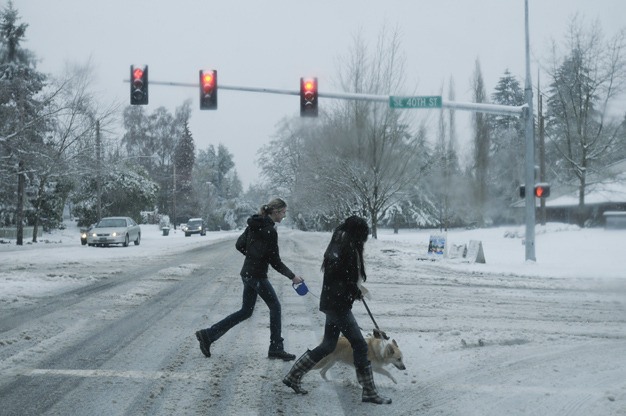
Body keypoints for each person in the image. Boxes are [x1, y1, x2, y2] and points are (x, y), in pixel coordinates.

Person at [282, 215, 392, 405]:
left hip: (333, 303)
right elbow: (342, 277)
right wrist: (353, 289)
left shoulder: (340, 241)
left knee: (328, 346)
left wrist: (354, 290)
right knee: (360, 344)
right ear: (357, 233)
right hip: (338, 305)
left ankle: (293, 375)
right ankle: (369, 392)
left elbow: (341, 276)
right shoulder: (346, 246)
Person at [195, 198, 304, 361]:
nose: (283, 216)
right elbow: (275, 262)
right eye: (283, 213)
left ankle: (208, 335)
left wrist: (253, 256)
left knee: (246, 311)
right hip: (257, 275)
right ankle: (276, 347)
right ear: (275, 212)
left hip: (247, 273)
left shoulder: (254, 224)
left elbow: (239, 245)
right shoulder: (269, 231)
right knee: (275, 307)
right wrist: (293, 277)